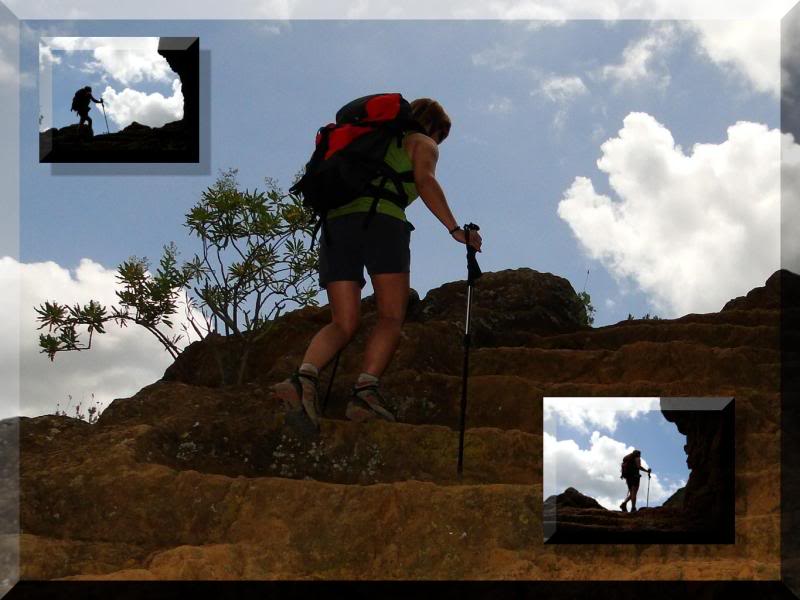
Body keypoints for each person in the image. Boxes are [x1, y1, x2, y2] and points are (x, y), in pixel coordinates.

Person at [275, 97, 483, 428]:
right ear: (433, 127)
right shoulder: (421, 141)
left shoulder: (365, 138)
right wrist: (454, 229)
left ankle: (303, 379)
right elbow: (425, 181)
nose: (439, 142)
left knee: (342, 322)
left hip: (336, 225)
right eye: (440, 136)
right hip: (382, 224)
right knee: (390, 315)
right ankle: (365, 393)